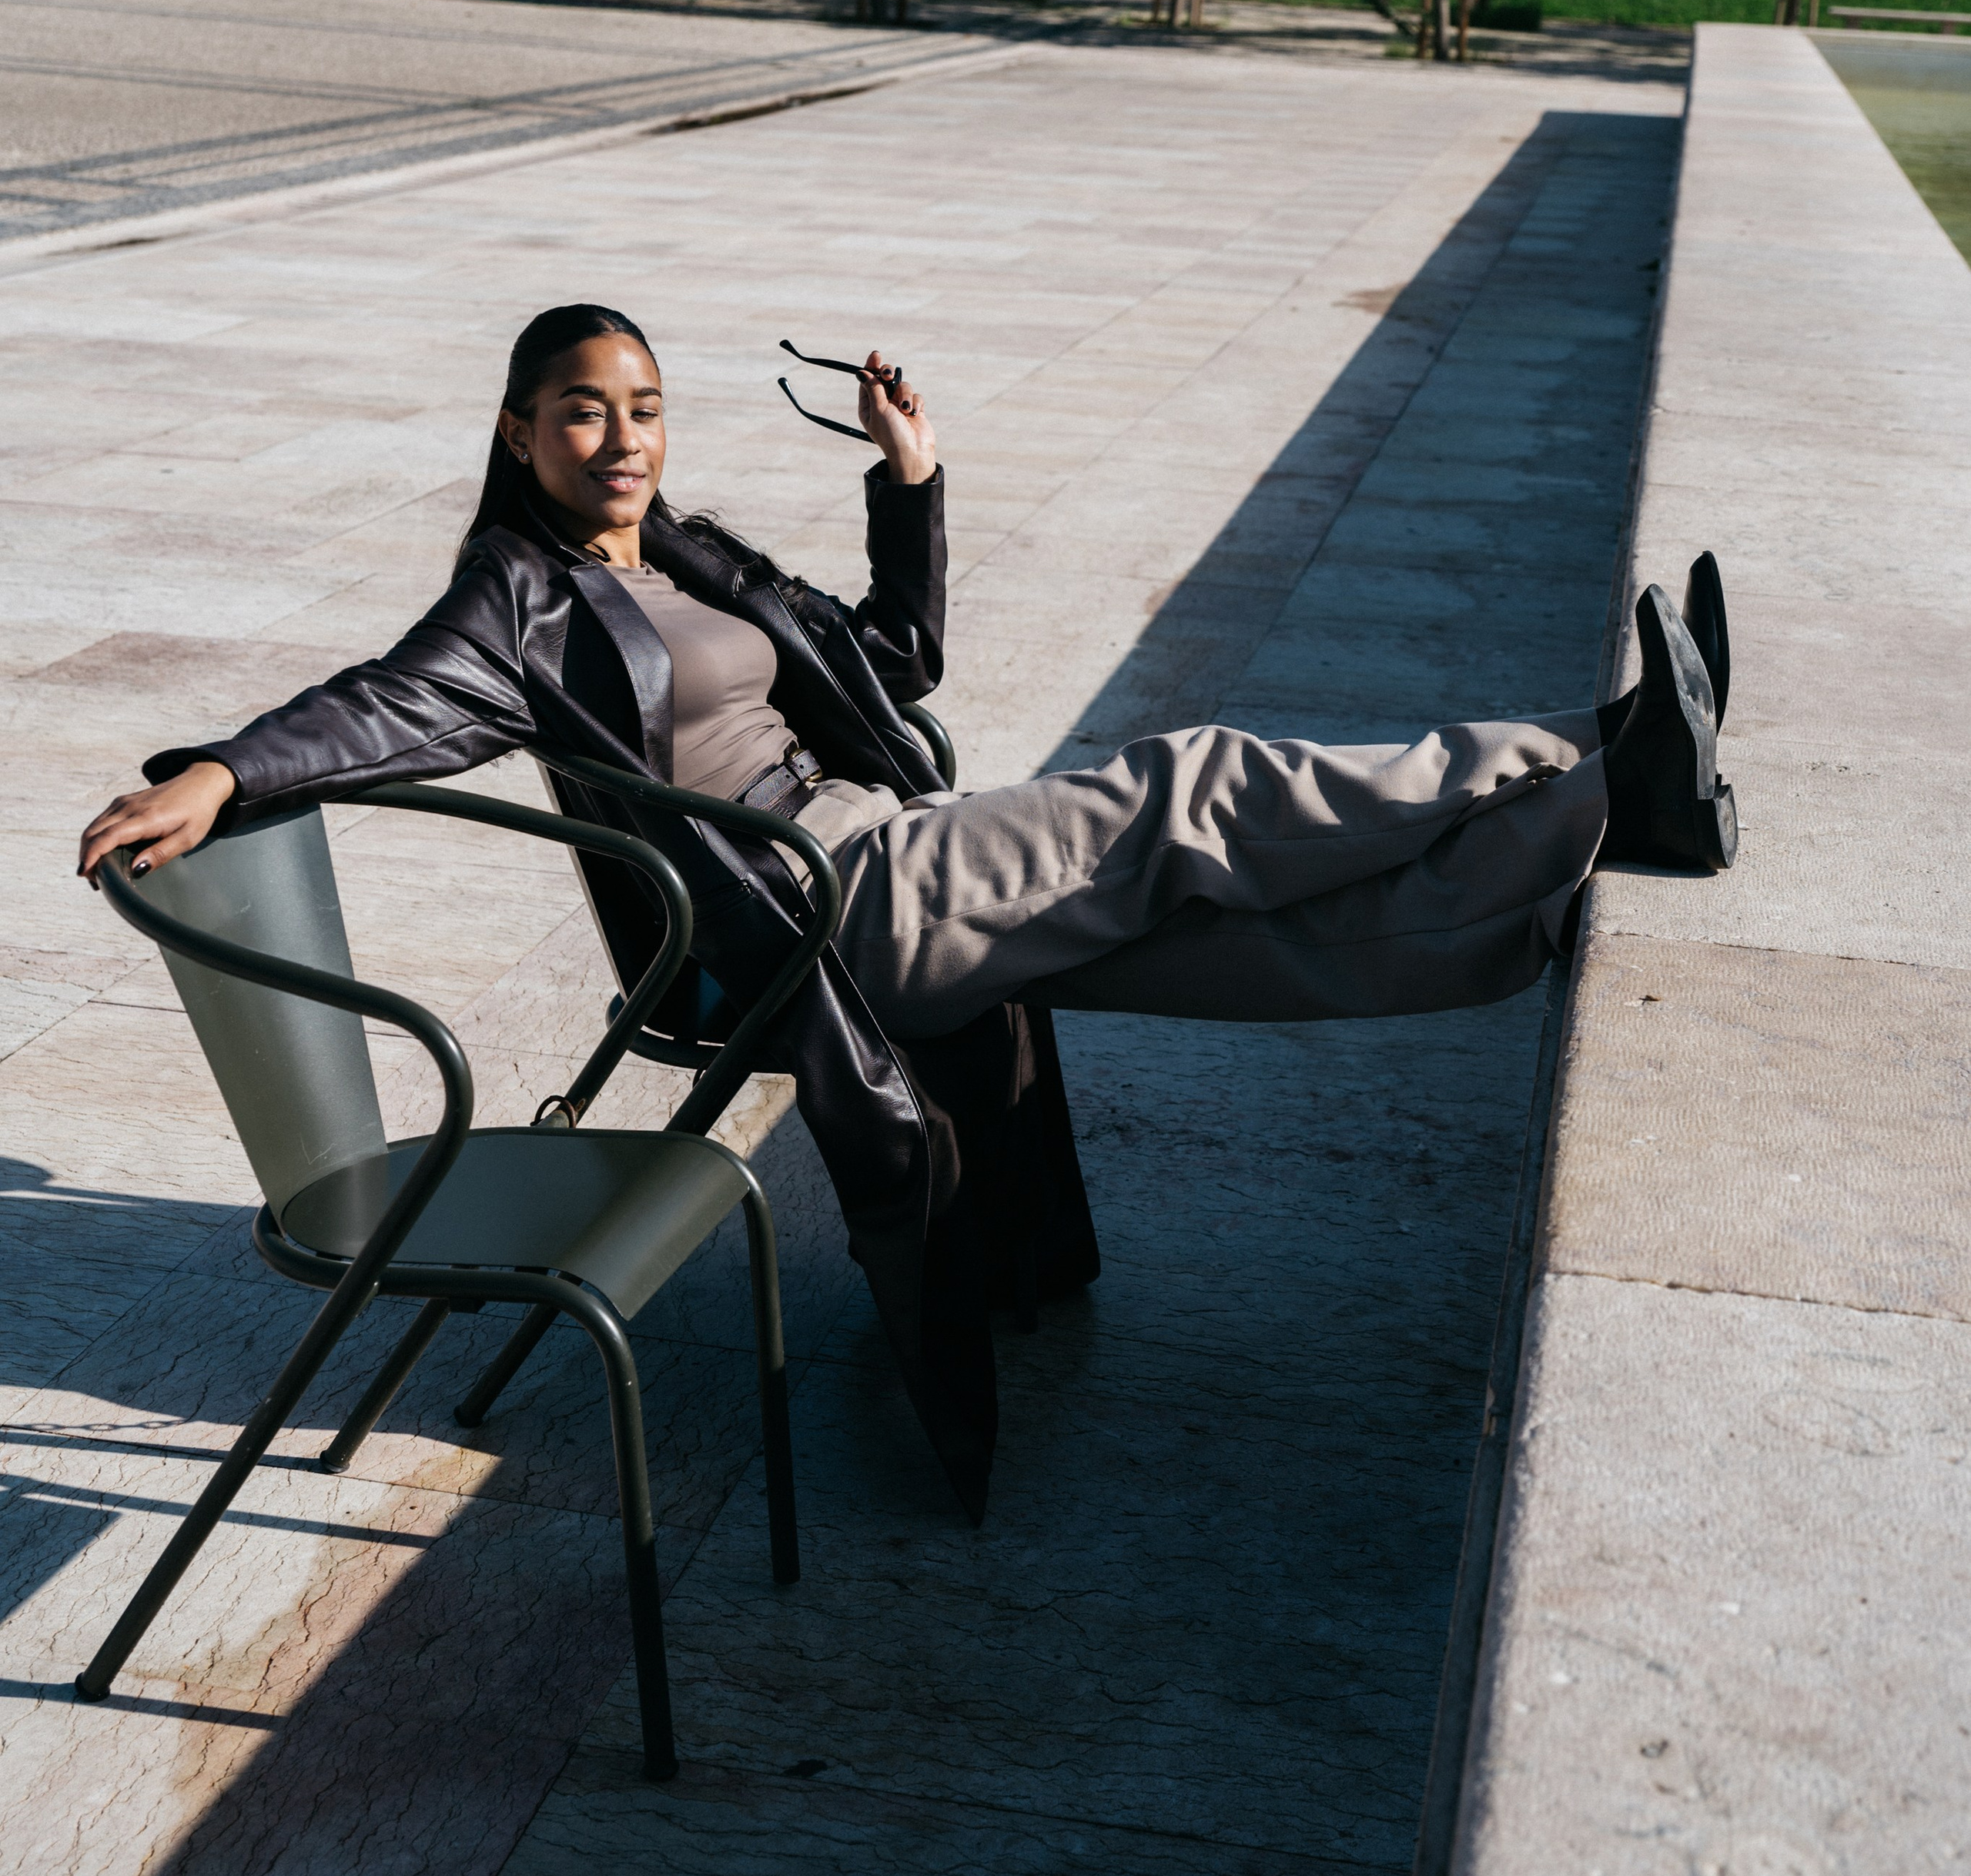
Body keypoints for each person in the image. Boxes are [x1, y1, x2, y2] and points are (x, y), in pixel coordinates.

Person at [79, 301, 1736, 1513]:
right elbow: (381, 704)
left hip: (873, 847)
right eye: (580, 409)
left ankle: (1520, 901)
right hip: (806, 908)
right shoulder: (514, 600)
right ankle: (1591, 755)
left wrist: (909, 476)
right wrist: (226, 771)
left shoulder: (698, 557)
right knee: (1180, 785)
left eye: (644, 402)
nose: (621, 433)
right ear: (519, 432)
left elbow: (894, 665)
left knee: (1196, 932)